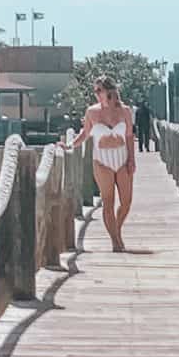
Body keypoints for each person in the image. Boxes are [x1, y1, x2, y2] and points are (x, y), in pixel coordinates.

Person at [68, 75, 135, 252]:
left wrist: (131, 160)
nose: (96, 94)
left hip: (122, 158)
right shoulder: (91, 112)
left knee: (127, 201)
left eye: (99, 90)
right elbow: (85, 134)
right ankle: (115, 240)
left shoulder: (125, 111)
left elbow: (129, 136)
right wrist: (70, 145)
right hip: (101, 161)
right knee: (108, 202)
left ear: (110, 91)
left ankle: (117, 229)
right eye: (95, 91)